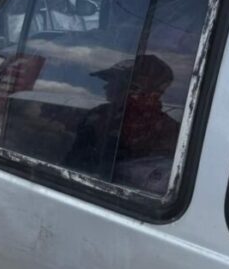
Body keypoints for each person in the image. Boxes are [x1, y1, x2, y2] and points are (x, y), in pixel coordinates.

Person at [65, 53, 180, 191]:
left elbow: (73, 167)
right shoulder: (173, 129)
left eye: (113, 81)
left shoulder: (100, 116)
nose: (105, 87)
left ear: (134, 88)